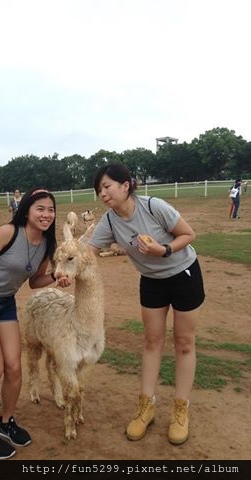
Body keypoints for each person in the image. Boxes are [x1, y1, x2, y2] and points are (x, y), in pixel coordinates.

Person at [89, 164, 205, 445]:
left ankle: (180, 409)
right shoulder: (109, 222)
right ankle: (146, 407)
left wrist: (162, 250)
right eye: (99, 189)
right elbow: (89, 252)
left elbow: (188, 235)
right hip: (152, 281)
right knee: (152, 341)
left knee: (184, 343)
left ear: (125, 185)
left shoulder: (154, 206)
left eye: (107, 186)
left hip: (184, 274)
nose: (103, 193)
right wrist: (67, 266)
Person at [0, 188, 67, 459]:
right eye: (40, 208)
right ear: (27, 210)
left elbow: (34, 282)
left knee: (15, 366)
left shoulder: (46, 244)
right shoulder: (7, 233)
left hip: (5, 302)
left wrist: (56, 275)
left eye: (51, 209)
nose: (46, 214)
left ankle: (7, 422)